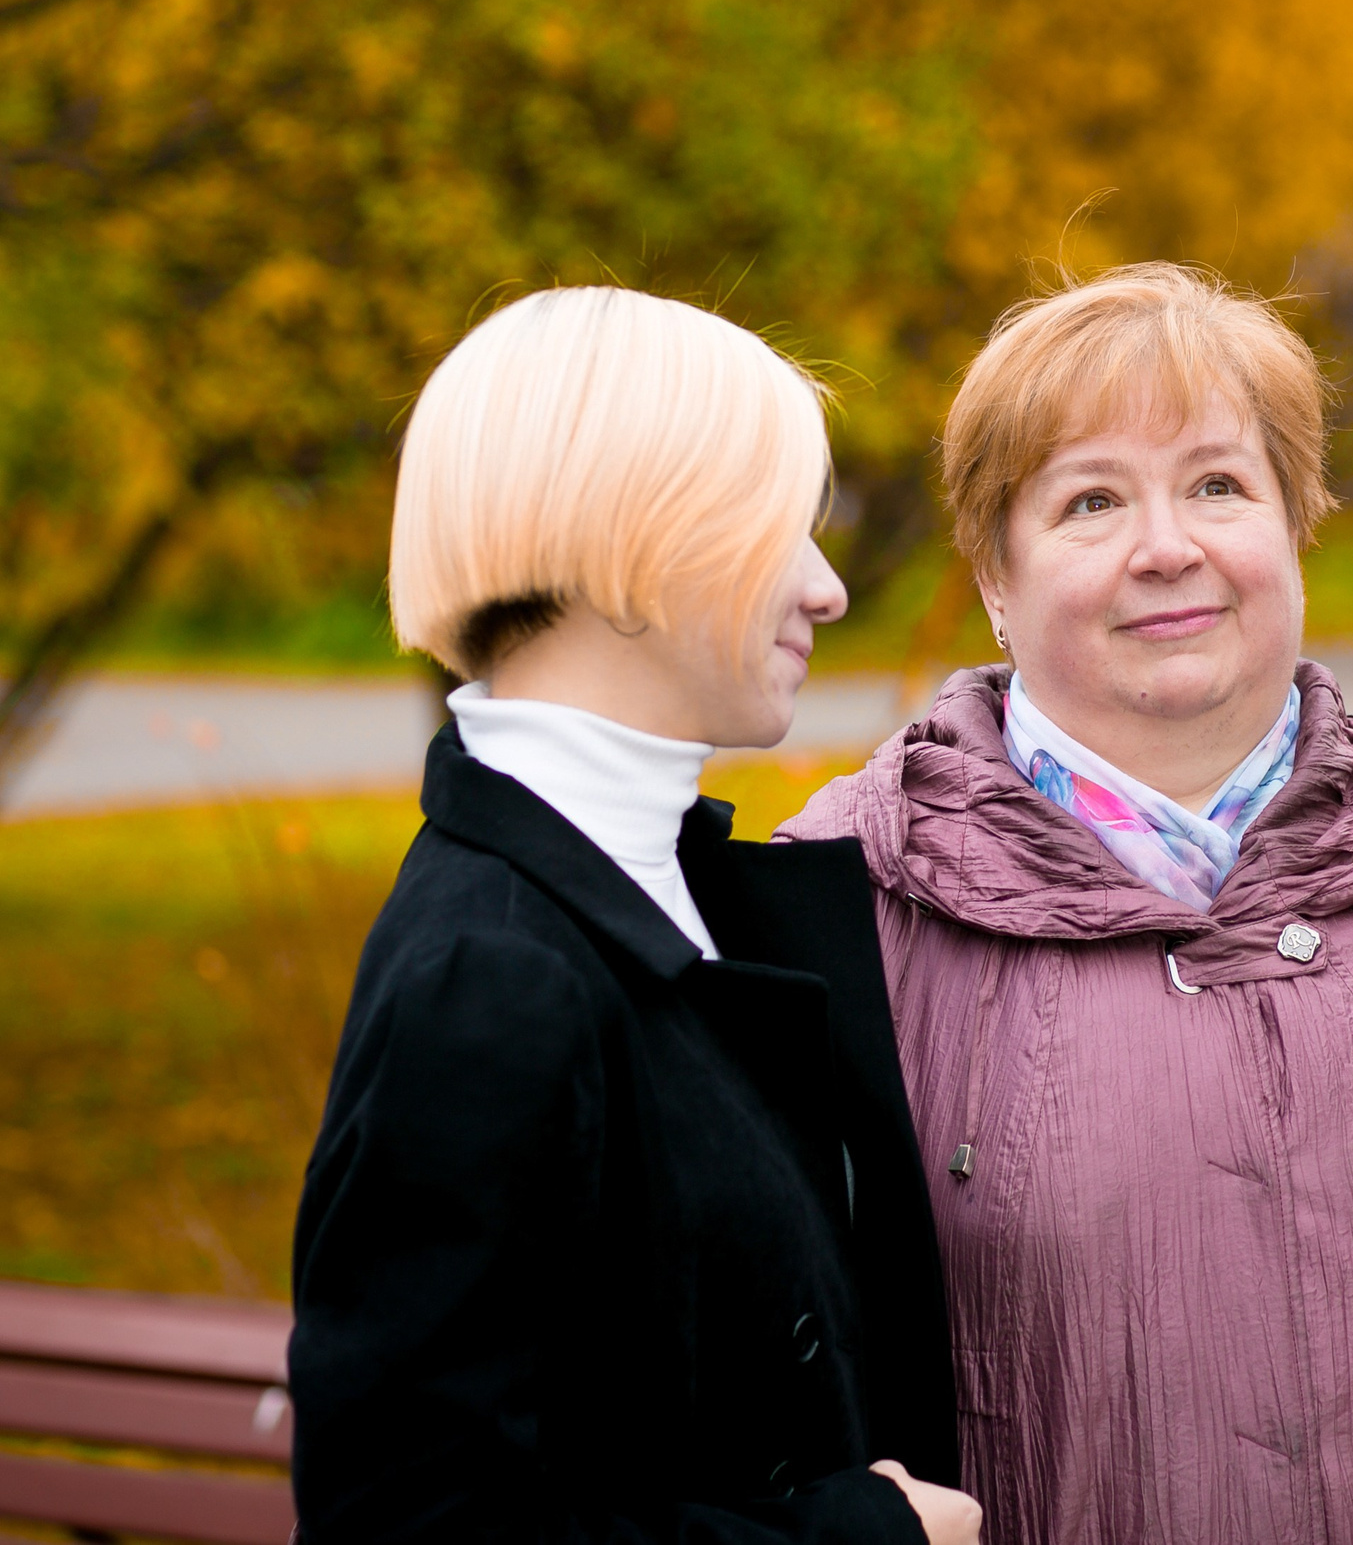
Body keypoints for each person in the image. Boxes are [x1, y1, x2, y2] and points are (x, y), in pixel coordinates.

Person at [776, 263, 1353, 1545]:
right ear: (993, 577)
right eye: (1091, 501)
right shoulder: (832, 904)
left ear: (1296, 526)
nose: (1168, 548)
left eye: (1218, 485)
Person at [289, 286, 980, 1545]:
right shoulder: (491, 976)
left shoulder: (657, 891)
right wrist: (860, 1538)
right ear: (643, 536)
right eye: (785, 529)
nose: (827, 588)